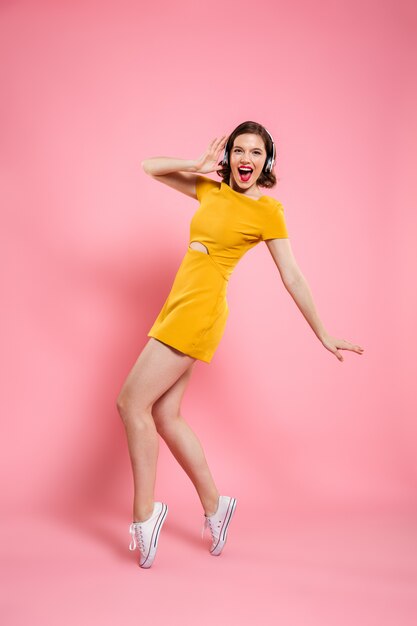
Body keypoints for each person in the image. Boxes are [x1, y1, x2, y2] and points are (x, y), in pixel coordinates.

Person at [116, 120, 364, 569]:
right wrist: (196, 164)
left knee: (131, 404)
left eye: (255, 152)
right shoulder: (209, 190)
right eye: (238, 150)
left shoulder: (268, 210)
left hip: (200, 310)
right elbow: (149, 166)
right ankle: (216, 504)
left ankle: (145, 514)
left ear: (266, 161)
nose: (245, 159)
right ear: (228, 155)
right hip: (178, 304)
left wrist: (322, 331)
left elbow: (291, 275)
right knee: (166, 416)